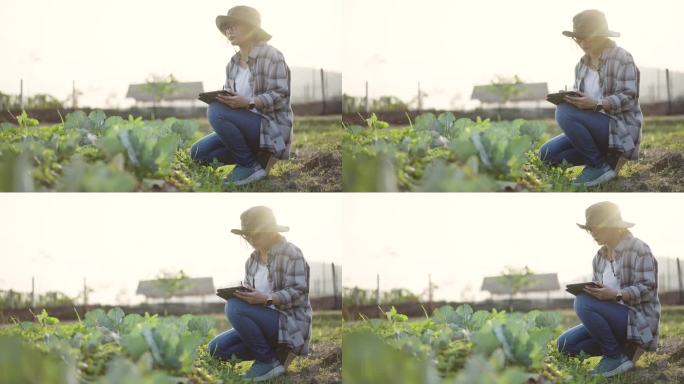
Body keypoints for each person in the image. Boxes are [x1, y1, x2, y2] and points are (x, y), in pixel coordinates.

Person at [190, 6, 294, 187]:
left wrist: (249, 103)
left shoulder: (271, 55)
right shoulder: (232, 64)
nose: (228, 31)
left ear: (251, 27)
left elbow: (280, 94)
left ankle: (248, 165)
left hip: (270, 130)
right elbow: (231, 100)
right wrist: (225, 99)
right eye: (226, 27)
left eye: (234, 25)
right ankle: (255, 160)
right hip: (245, 128)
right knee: (197, 152)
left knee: (215, 110)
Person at [207, 206, 312, 382]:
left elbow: (298, 291)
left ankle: (267, 360)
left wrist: (267, 299)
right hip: (264, 324)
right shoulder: (251, 262)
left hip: (289, 324)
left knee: (233, 307)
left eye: (256, 234)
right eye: (246, 235)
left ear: (271, 231)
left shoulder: (291, 253)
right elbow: (251, 296)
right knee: (215, 348)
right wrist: (242, 295)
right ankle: (277, 355)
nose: (250, 239)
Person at [539, 10, 643, 187]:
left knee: (563, 112)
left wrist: (597, 104)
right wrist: (571, 99)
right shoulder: (580, 66)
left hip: (619, 129)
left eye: (588, 37)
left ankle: (597, 165)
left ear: (601, 35)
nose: (582, 42)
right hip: (595, 130)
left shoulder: (621, 57)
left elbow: (629, 96)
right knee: (546, 153)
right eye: (578, 37)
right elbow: (583, 102)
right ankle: (605, 160)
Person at [557, 201, 660, 378]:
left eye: (596, 227)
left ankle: (615, 356)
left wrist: (617, 294)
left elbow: (648, 287)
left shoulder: (638, 248)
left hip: (638, 321)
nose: (592, 234)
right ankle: (623, 351)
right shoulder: (598, 258)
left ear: (613, 226)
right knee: (564, 343)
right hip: (615, 321)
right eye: (590, 229)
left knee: (582, 301)